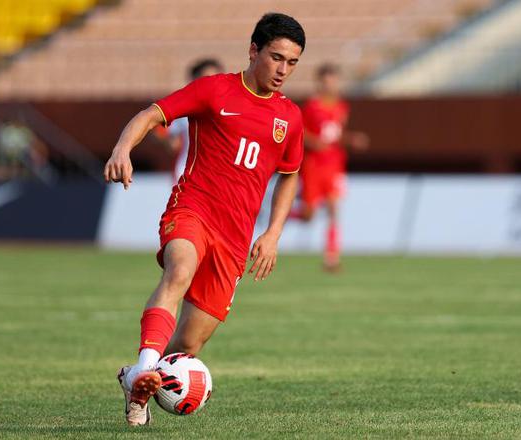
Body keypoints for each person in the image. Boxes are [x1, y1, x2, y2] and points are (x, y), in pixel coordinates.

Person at [103, 13, 306, 427]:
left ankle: (137, 377)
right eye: (276, 57)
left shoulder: (290, 116)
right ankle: (143, 374)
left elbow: (290, 174)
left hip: (236, 237)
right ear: (253, 50)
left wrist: (273, 233)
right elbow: (151, 115)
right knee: (178, 271)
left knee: (188, 347)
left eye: (292, 62)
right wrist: (122, 149)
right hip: (192, 208)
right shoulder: (214, 90)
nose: (283, 70)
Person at [295, 63, 369, 271]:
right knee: (308, 216)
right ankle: (282, 216)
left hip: (334, 164)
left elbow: (337, 134)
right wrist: (313, 142)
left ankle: (331, 257)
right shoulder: (311, 107)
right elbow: (299, 132)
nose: (330, 86)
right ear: (319, 83)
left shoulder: (342, 107)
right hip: (313, 166)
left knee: (334, 209)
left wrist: (351, 139)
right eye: (326, 82)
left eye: (334, 81)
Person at [164, 59, 224, 182]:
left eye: (217, 77)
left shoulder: (231, 107)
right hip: (189, 174)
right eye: (207, 79)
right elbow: (174, 144)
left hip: (220, 175)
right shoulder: (183, 108)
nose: (213, 83)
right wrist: (163, 137)